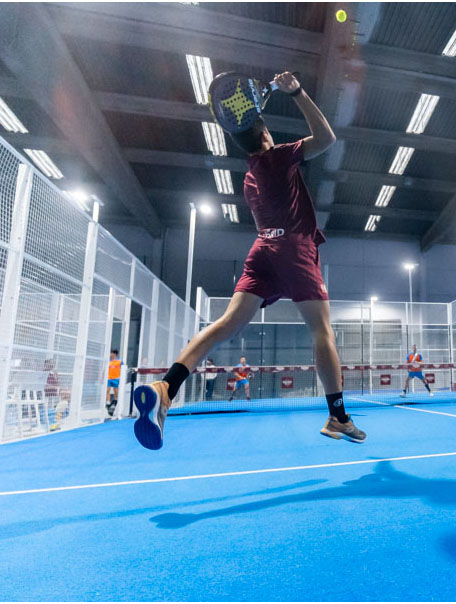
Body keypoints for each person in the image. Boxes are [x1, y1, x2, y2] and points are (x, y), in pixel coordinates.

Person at [132, 71, 365, 450]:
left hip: (262, 250)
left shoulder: (251, 176)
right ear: (265, 134)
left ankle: (166, 388)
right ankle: (338, 416)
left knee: (226, 324)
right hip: (293, 249)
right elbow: (326, 138)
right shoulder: (277, 157)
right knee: (322, 331)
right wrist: (297, 92)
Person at [106, 349, 121, 417]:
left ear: (114, 354)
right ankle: (108, 402)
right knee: (108, 390)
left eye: (111, 353)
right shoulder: (109, 362)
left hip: (116, 378)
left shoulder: (119, 361)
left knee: (115, 390)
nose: (110, 354)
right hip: (109, 378)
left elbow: (123, 367)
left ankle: (116, 400)